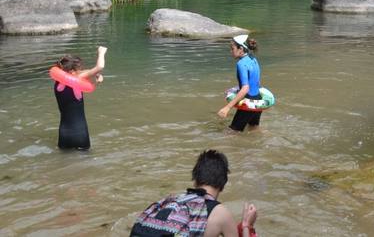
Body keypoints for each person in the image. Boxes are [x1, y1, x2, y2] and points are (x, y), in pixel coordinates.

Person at [129, 149, 258, 237]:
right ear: (222, 185)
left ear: (195, 181)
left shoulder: (170, 201)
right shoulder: (221, 213)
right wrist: (247, 225)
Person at [53, 46, 107, 150]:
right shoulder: (77, 79)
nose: (81, 70)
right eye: (79, 68)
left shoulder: (57, 82)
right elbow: (100, 66)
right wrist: (101, 52)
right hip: (80, 134)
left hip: (64, 135)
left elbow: (77, 74)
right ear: (72, 71)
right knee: (85, 159)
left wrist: (94, 74)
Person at [218, 35, 262, 132]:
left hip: (248, 103)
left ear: (241, 49)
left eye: (232, 48)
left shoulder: (241, 64)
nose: (231, 51)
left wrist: (227, 107)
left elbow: (245, 88)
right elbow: (257, 83)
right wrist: (236, 89)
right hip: (258, 101)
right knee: (253, 128)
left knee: (232, 133)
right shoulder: (253, 59)